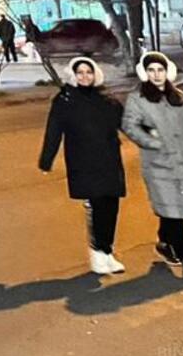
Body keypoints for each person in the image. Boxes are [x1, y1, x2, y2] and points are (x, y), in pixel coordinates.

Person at [121, 51, 183, 278]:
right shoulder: (138, 98)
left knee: (173, 213)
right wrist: (154, 143)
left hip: (182, 164)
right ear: (145, 73)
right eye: (151, 70)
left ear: (167, 71)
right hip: (158, 166)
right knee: (174, 215)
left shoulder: (179, 97)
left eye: (160, 70)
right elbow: (130, 126)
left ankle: (164, 243)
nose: (156, 74)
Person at [38, 56, 126, 274]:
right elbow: (53, 130)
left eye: (89, 72)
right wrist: (46, 159)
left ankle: (107, 251)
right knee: (96, 206)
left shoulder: (106, 99)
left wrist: (149, 135)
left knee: (111, 206)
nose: (85, 76)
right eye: (80, 73)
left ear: (95, 74)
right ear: (74, 75)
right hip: (83, 161)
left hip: (109, 160)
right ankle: (97, 253)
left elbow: (126, 123)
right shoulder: (65, 100)